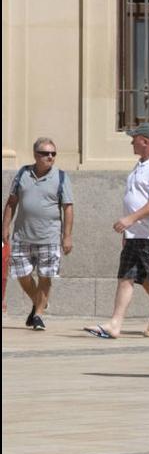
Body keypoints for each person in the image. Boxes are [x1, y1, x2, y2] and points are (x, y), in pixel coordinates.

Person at [83, 123, 149, 338]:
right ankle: (115, 324)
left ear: (145, 141)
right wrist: (127, 230)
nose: (131, 142)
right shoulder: (141, 164)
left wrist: (130, 219)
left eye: (134, 138)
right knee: (126, 277)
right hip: (134, 234)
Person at [3, 138, 74, 331]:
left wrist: (67, 236)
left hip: (49, 237)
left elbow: (68, 207)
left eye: (53, 153)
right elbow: (11, 202)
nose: (50, 157)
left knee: (45, 277)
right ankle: (39, 301)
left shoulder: (61, 177)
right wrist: (5, 227)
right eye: (45, 153)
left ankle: (38, 315)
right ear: (35, 155)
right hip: (22, 236)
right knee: (22, 275)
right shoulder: (22, 174)